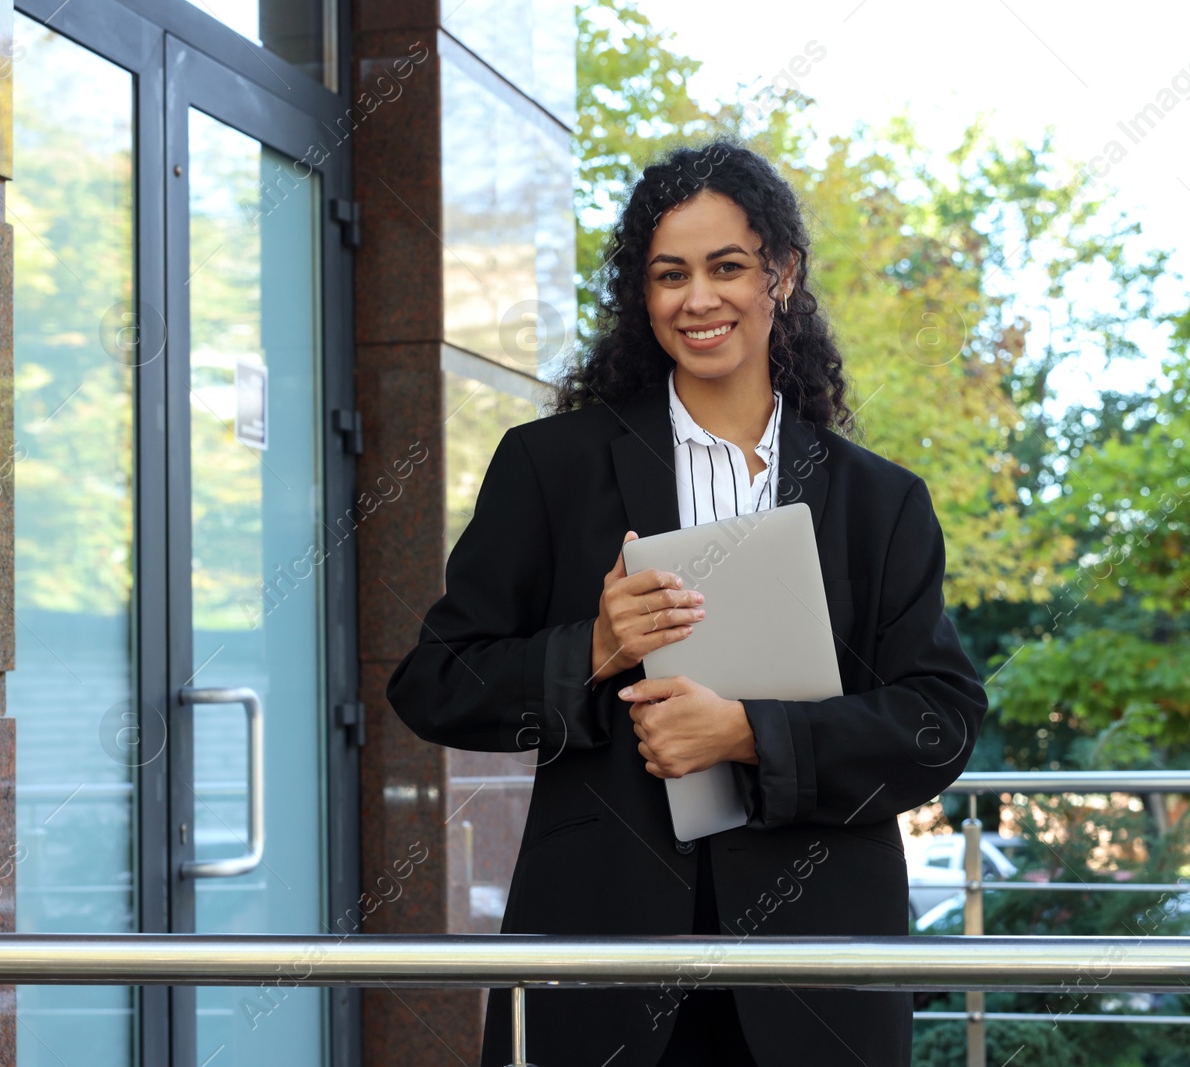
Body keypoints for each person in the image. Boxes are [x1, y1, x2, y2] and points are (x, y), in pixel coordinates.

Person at [386, 138, 988, 1067]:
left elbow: (939, 721)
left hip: (814, 962)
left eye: (728, 267)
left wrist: (750, 734)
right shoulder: (552, 468)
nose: (698, 298)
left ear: (781, 275)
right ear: (643, 293)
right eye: (670, 274)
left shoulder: (879, 501)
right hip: (604, 948)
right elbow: (432, 683)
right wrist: (590, 646)